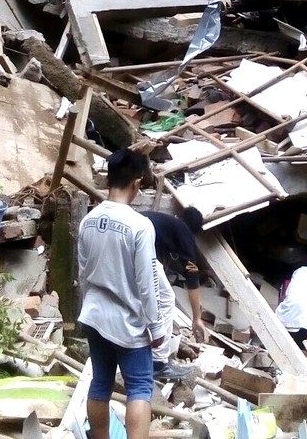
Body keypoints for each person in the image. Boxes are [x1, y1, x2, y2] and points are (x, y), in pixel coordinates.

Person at [78, 150, 166, 439]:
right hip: (128, 322)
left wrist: (86, 309)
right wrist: (156, 326)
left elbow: (82, 274)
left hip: (94, 315)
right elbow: (147, 282)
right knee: (140, 387)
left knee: (100, 383)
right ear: (137, 183)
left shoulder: (87, 221)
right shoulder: (140, 226)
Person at [141, 207, 207, 380]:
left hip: (121, 243)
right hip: (139, 249)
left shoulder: (164, 223)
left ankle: (137, 351)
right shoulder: (183, 231)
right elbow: (192, 278)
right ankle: (159, 363)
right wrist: (196, 318)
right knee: (166, 298)